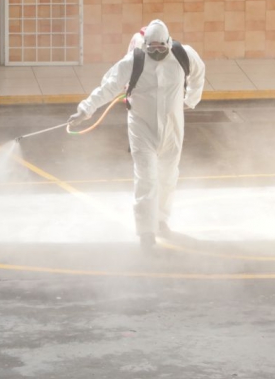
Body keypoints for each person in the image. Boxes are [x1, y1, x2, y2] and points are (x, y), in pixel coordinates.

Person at [68, 20, 205, 251]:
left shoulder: (184, 55)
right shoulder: (134, 61)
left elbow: (199, 74)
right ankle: (146, 231)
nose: (156, 53)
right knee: (147, 178)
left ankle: (160, 220)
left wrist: (192, 99)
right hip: (142, 130)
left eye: (161, 48)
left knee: (168, 176)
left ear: (168, 43)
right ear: (145, 45)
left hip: (172, 129)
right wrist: (85, 109)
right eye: (151, 49)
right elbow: (108, 87)